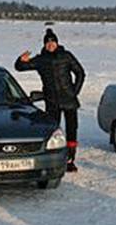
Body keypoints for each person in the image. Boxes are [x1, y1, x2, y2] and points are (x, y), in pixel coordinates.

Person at [15, 28, 86, 172]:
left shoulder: (66, 56)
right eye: (48, 43)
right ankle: (53, 160)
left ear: (57, 43)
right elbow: (20, 67)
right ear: (44, 45)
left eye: (53, 42)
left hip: (69, 100)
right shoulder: (41, 59)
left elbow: (80, 73)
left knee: (72, 130)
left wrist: (74, 91)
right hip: (52, 100)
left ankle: (71, 160)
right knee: (52, 131)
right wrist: (20, 60)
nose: (50, 45)